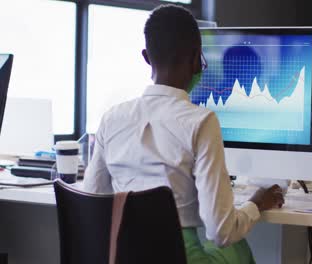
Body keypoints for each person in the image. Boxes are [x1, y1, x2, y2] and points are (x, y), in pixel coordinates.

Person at [83, 4, 285, 264]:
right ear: (197, 60)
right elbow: (221, 231)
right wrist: (255, 203)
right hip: (180, 256)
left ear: (146, 57)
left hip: (122, 256)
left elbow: (91, 203)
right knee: (238, 250)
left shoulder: (112, 118)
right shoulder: (201, 121)